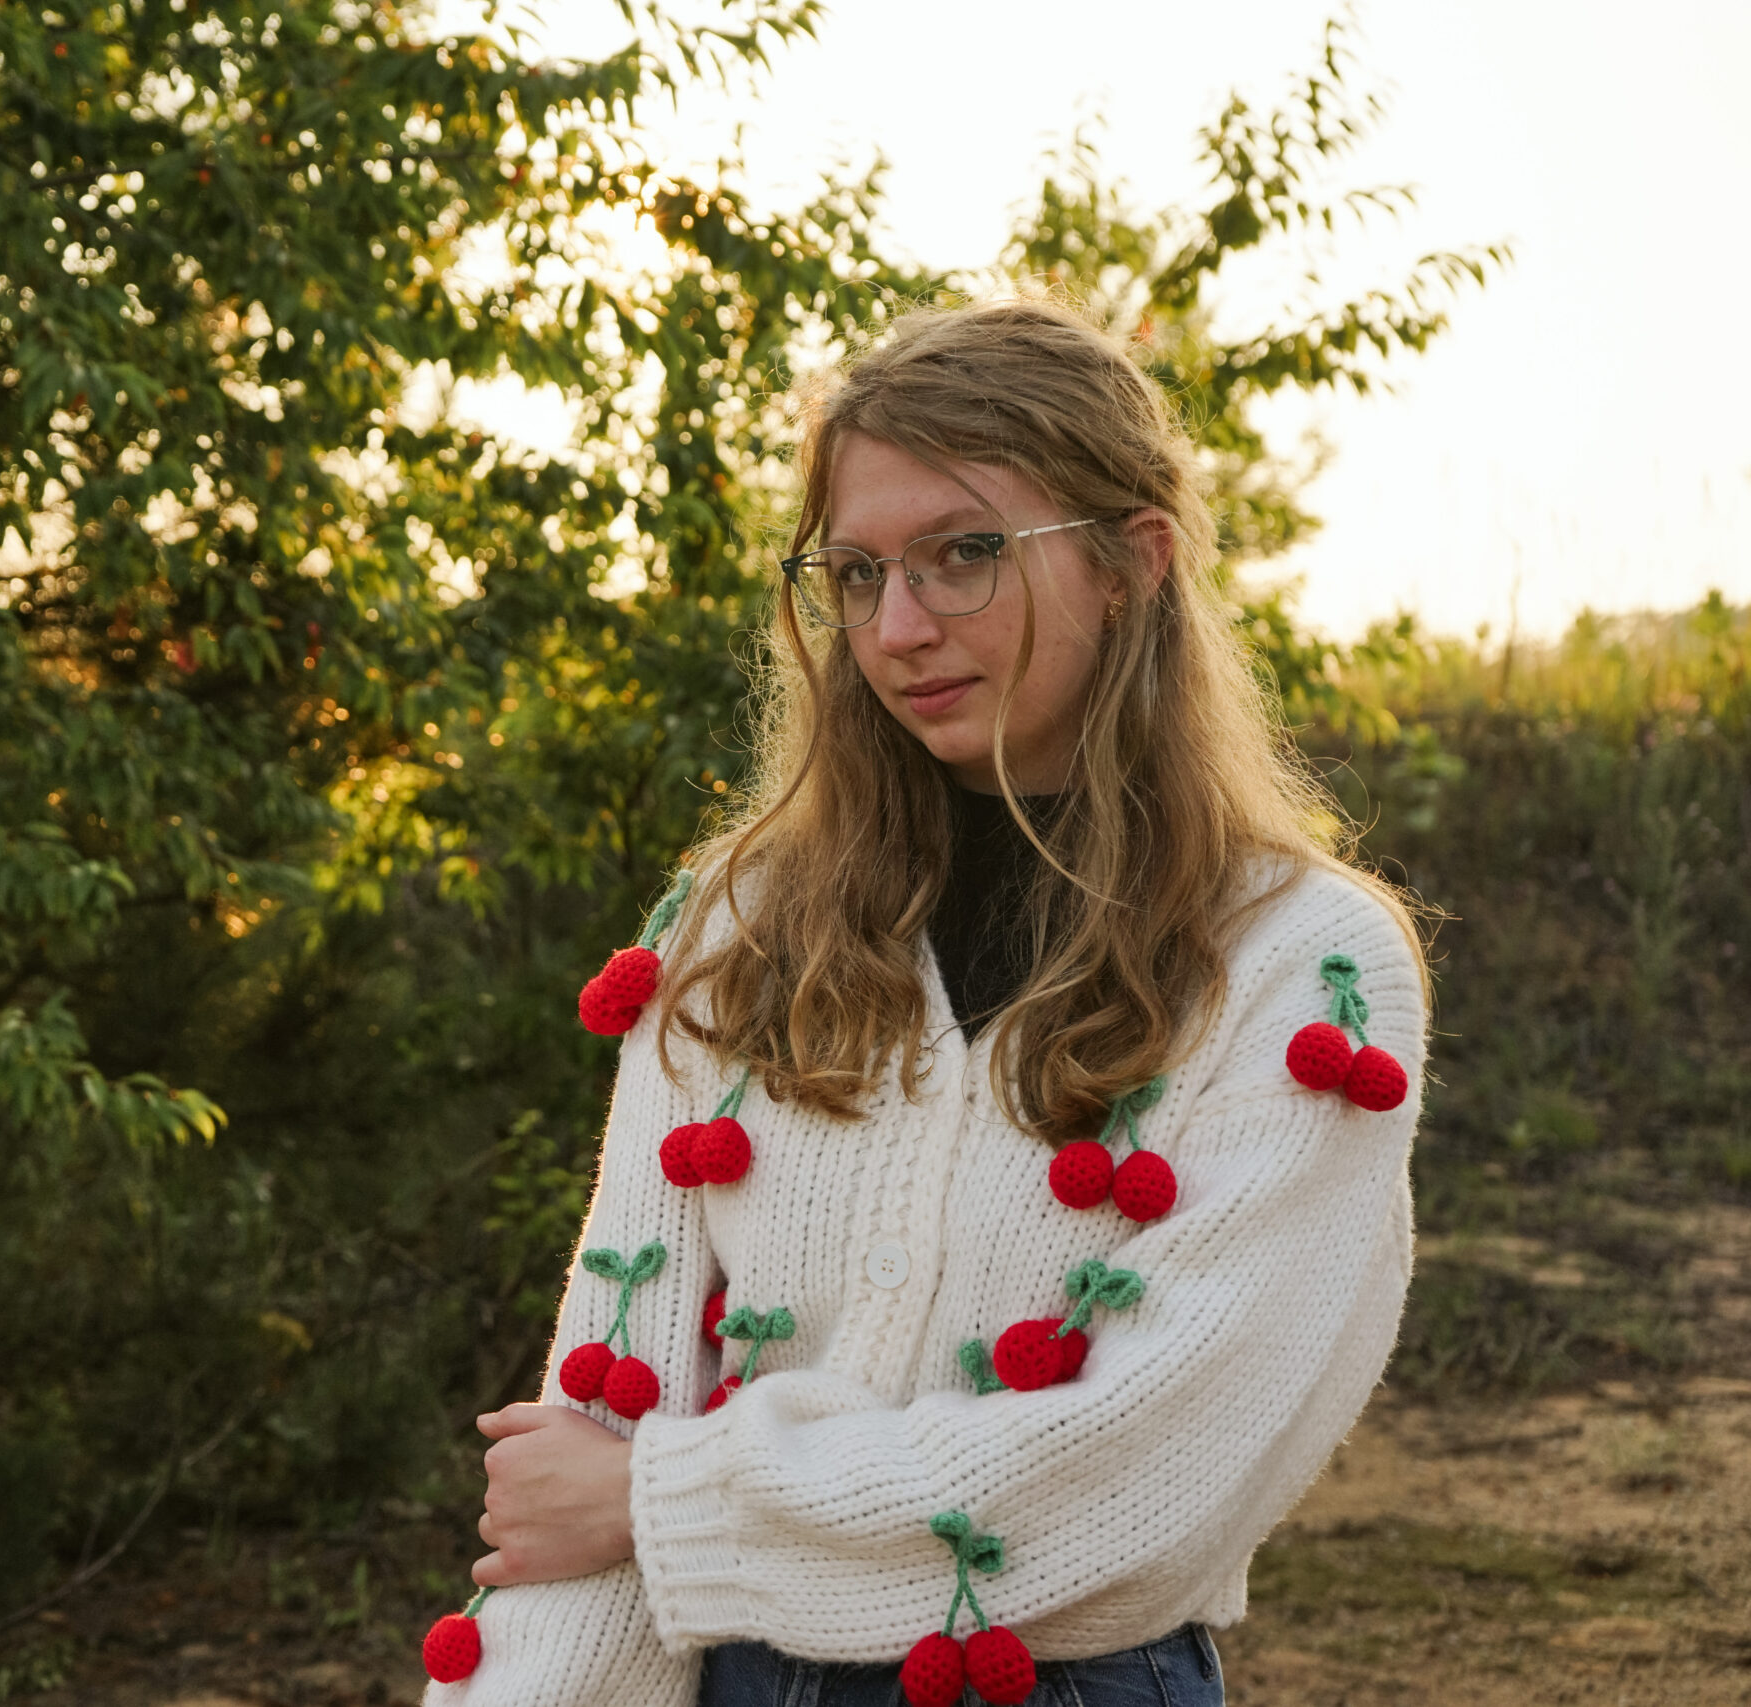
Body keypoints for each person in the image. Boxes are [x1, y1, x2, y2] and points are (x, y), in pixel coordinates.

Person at [422, 296, 1428, 1707]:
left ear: (1132, 561)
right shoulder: (736, 933)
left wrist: (666, 1506)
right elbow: (598, 1423)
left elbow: (1154, 1479)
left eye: (965, 555)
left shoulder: (1297, 967)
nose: (897, 628)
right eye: (853, 571)